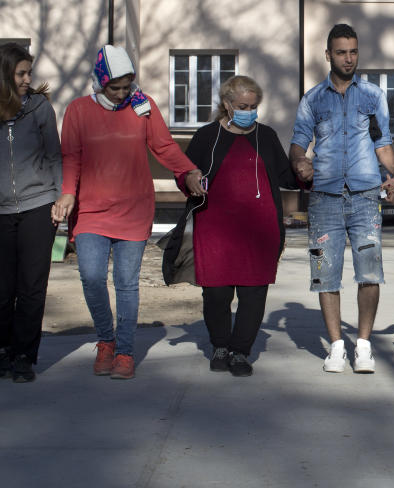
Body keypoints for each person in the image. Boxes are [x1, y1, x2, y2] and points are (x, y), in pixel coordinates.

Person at [52, 45, 204, 380]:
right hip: (91, 209)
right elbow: (71, 156)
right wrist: (66, 193)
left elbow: (163, 146)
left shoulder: (142, 105)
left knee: (126, 283)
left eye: (126, 86)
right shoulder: (78, 110)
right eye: (115, 87)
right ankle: (105, 340)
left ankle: (124, 352)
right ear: (100, 81)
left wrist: (189, 171)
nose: (122, 94)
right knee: (91, 277)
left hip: (134, 209)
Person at [163, 76, 302, 376]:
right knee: (216, 294)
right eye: (242, 106)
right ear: (227, 105)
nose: (248, 111)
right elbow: (185, 173)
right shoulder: (206, 136)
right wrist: (190, 180)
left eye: (253, 106)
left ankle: (240, 352)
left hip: (260, 232)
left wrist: (305, 169)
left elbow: (286, 177)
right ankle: (220, 346)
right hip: (214, 230)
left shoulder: (265, 136)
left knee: (254, 294)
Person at [290, 23, 394, 374]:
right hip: (324, 197)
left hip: (365, 197)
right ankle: (337, 347)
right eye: (341, 52)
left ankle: (364, 346)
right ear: (328, 55)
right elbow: (298, 141)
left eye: (353, 51)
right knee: (325, 274)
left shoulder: (373, 96)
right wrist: (299, 162)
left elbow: (382, 142)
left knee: (370, 272)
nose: (348, 58)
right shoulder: (312, 99)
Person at [0, 43, 61, 383]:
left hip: (38, 205)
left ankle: (24, 355)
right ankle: (3, 350)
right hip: (1, 211)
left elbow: (54, 155)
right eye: (21, 73)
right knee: (3, 289)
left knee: (32, 287)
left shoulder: (39, 107)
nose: (27, 79)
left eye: (28, 73)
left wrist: (60, 196)